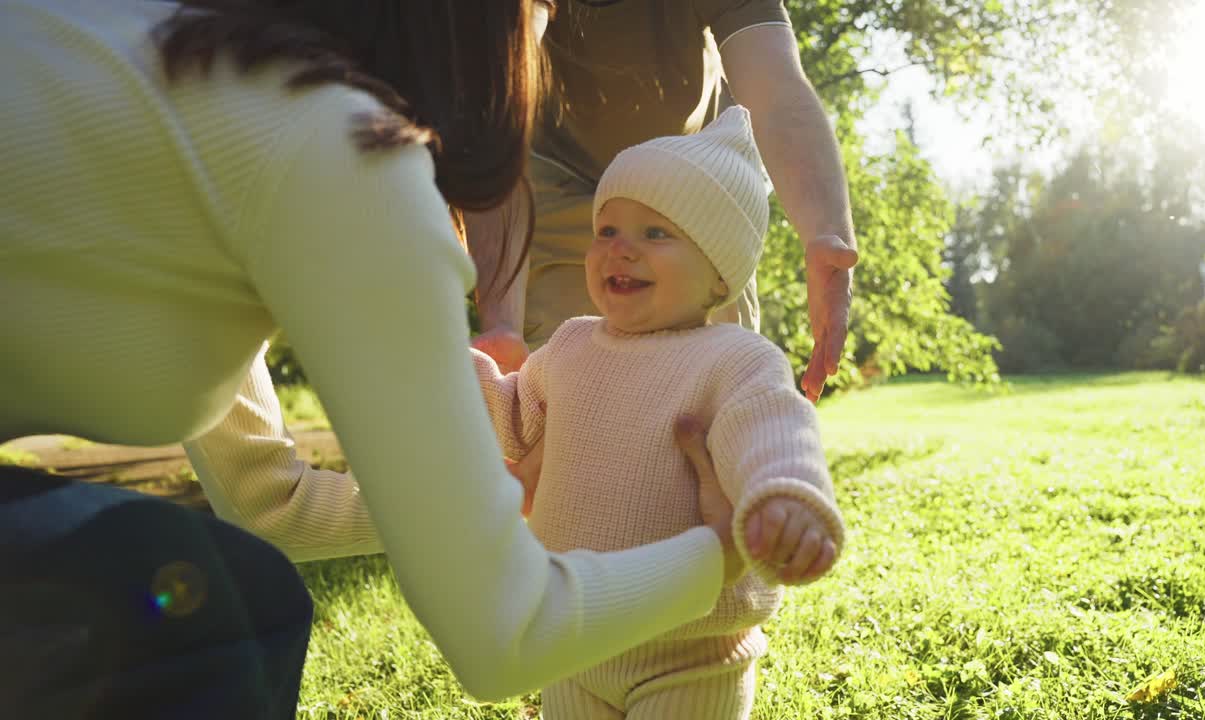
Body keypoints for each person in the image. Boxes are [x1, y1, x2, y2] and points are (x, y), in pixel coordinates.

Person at [0, 0, 761, 715]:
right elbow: (503, 636)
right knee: (220, 618)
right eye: (539, 13)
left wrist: (492, 492)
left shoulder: (159, 49)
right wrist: (716, 555)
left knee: (241, 588)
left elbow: (266, 503)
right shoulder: (342, 148)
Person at [470, 108, 845, 719]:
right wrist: (458, 373)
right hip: (575, 638)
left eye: (655, 234)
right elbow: (514, 418)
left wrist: (786, 497)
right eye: (608, 230)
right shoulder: (569, 344)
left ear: (719, 274)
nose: (620, 251)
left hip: (693, 656)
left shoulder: (735, 358)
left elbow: (775, 431)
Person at [469, 0, 862, 404]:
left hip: (690, 190)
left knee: (721, 397)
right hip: (555, 182)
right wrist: (502, 323)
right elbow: (496, 117)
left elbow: (776, 96)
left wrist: (825, 234)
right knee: (560, 404)